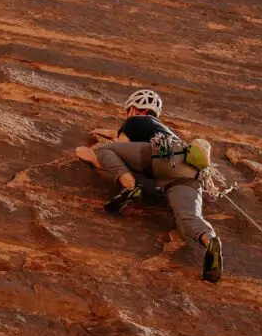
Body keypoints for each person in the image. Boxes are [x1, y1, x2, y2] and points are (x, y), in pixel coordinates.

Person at [90, 89, 223, 283]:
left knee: (106, 151)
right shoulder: (163, 129)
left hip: (162, 158)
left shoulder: (134, 120)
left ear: (133, 109)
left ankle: (129, 187)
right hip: (189, 173)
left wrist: (94, 158)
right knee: (188, 218)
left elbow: (121, 145)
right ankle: (210, 241)